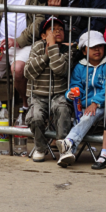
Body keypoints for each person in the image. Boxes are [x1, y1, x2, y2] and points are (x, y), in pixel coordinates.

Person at [56, 31, 106, 167]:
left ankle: (68, 142)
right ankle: (68, 152)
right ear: (84, 51)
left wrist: (96, 102)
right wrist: (70, 94)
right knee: (81, 119)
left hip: (104, 104)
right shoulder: (80, 67)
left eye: (100, 46)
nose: (97, 49)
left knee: (88, 115)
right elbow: (75, 85)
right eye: (93, 47)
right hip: (85, 106)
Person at [24, 16, 72, 162]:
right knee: (35, 116)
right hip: (38, 95)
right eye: (53, 30)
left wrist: (52, 48)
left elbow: (60, 69)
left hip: (59, 94)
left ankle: (63, 148)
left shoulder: (67, 49)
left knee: (63, 109)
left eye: (61, 29)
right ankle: (40, 148)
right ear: (44, 35)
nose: (57, 32)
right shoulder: (38, 47)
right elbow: (28, 72)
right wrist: (45, 55)